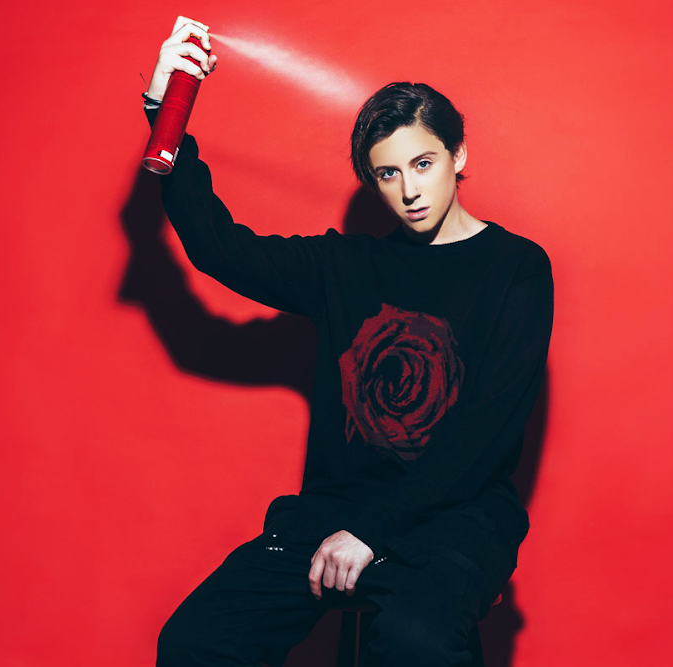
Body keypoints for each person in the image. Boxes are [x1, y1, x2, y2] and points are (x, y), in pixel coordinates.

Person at [141, 15, 554, 667]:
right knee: (195, 639)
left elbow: (486, 431)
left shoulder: (517, 269)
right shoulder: (344, 266)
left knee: (415, 641)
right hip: (335, 512)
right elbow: (220, 249)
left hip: (459, 517)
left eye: (423, 163)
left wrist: (371, 529)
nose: (409, 190)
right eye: (388, 174)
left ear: (458, 156)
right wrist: (166, 110)